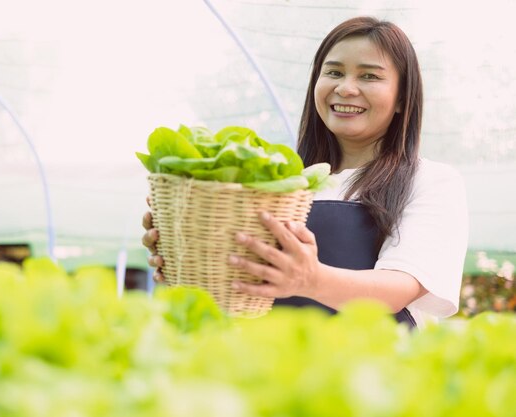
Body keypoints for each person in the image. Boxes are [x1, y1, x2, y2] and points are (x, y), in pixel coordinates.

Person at [141, 16, 468, 328]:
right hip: (270, 372)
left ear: (401, 98)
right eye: (334, 72)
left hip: (376, 376)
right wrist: (188, 256)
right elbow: (239, 288)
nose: (346, 88)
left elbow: (399, 288)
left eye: (369, 76)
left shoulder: (430, 181)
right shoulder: (277, 184)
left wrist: (311, 279)